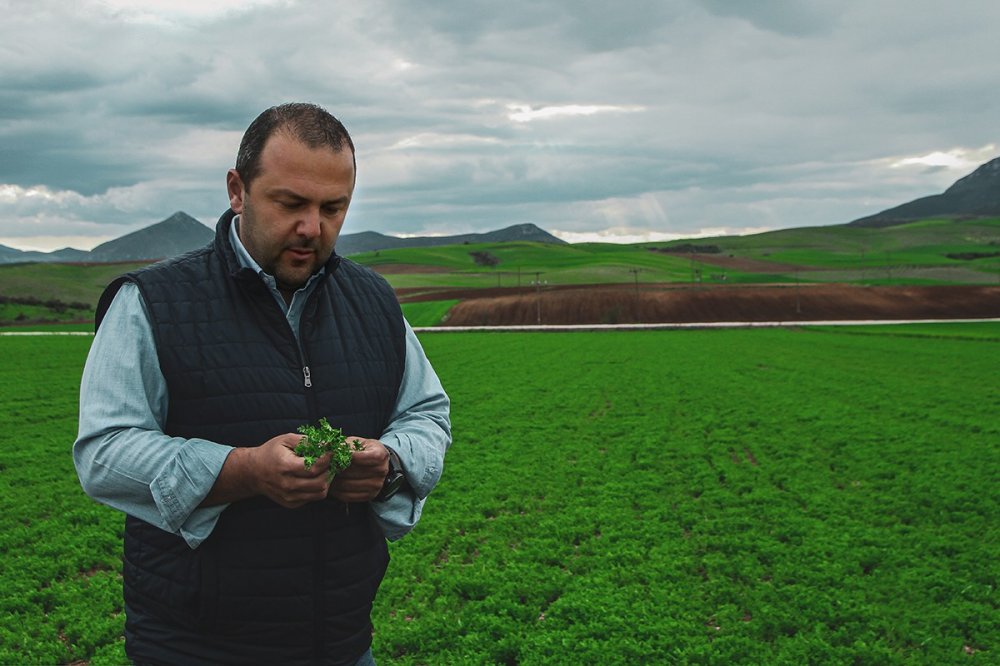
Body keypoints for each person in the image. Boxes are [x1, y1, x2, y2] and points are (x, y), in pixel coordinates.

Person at [74, 102, 452, 666]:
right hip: (195, 647)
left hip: (343, 644)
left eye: (333, 208)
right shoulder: (151, 302)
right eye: (291, 203)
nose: (311, 228)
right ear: (237, 189)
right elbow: (103, 451)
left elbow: (427, 414)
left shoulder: (374, 301)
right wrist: (242, 471)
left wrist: (390, 462)